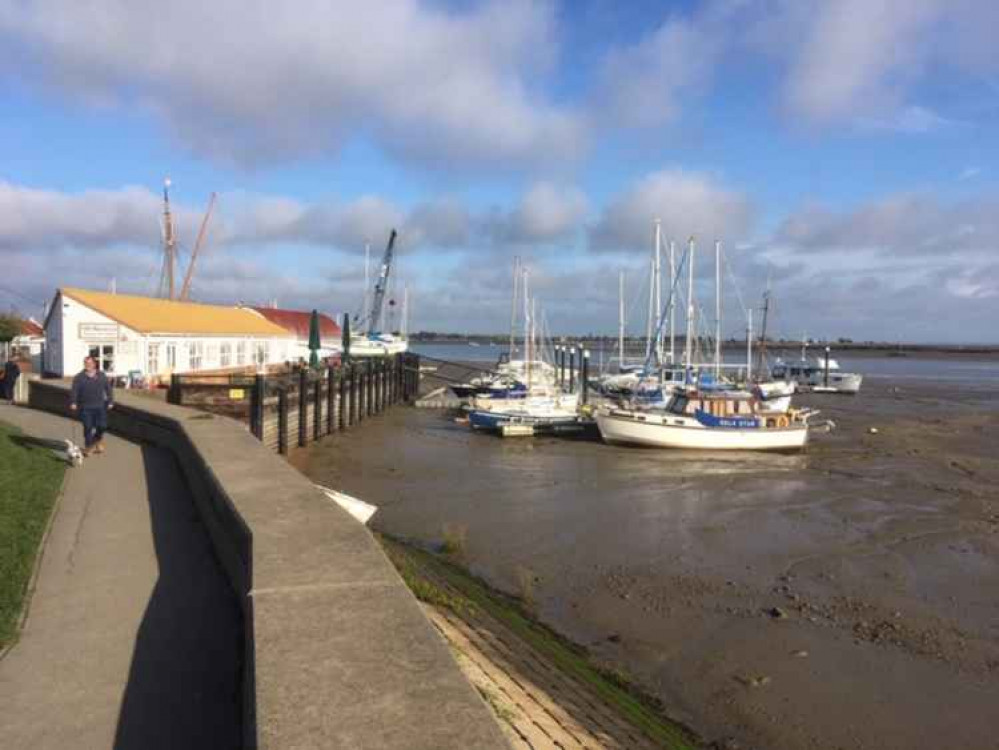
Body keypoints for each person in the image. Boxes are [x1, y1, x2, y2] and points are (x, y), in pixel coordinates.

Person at [70, 355, 114, 456]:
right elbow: (74, 391)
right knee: (88, 427)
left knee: (102, 426)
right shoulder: (79, 377)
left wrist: (111, 401)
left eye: (89, 363)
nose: (87, 365)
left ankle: (97, 441)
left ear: (94, 364)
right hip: (85, 407)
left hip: (100, 406)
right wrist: (73, 402)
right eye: (85, 363)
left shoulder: (101, 375)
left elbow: (108, 389)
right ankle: (89, 447)